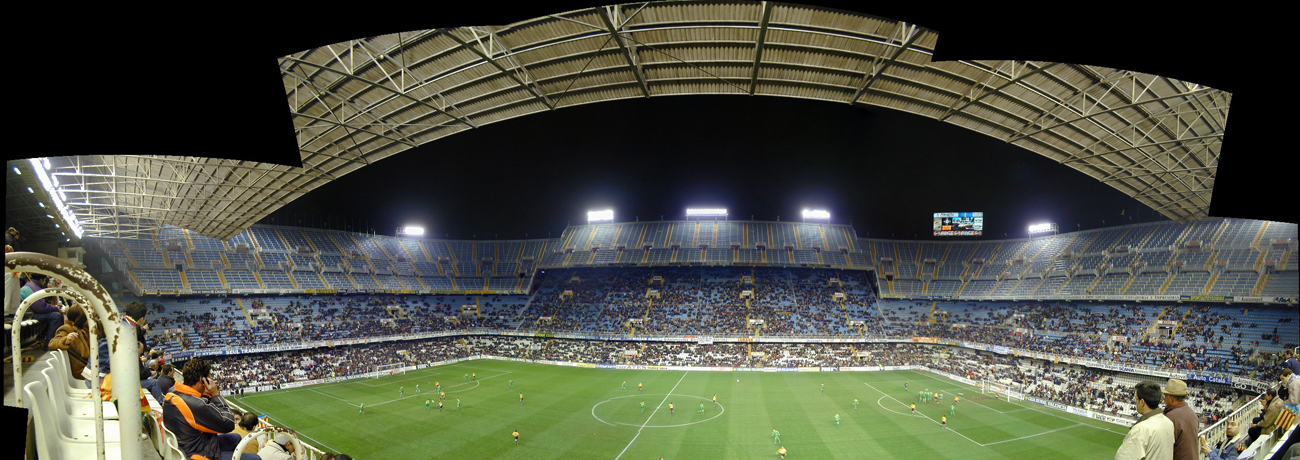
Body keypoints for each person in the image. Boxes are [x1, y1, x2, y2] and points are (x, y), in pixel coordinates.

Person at [163, 358, 258, 460]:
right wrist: (216, 395)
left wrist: (207, 395)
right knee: (255, 458)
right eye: (209, 377)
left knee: (236, 438)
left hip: (187, 443)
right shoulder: (196, 405)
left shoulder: (172, 392)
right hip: (197, 453)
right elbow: (229, 423)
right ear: (202, 380)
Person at [1114, 381, 1175, 460]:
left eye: (1136, 399)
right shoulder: (1168, 423)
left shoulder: (1141, 429)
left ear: (1142, 402)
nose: (1136, 402)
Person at [48, 303, 92, 379]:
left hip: (88, 368)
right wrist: (65, 340)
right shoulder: (66, 329)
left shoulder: (87, 328)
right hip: (82, 371)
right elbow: (52, 343)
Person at [20, 273, 63, 347]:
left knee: (55, 314)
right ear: (41, 280)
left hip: (29, 313)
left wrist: (54, 307)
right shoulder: (34, 288)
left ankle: (45, 338)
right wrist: (56, 308)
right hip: (29, 315)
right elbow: (40, 307)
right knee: (56, 316)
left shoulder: (31, 285)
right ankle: (50, 343)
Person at [1161, 379, 1199, 460]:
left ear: (1171, 398)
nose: (1164, 399)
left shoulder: (1171, 416)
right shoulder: (1192, 413)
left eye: (1166, 396)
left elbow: (1163, 448)